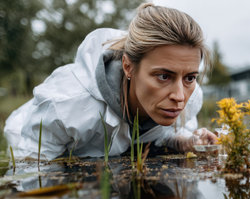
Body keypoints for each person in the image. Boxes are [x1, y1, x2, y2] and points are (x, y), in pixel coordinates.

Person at [3, 3, 217, 160]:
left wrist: (186, 141)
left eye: (189, 77)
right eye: (163, 76)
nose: (180, 96)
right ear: (128, 66)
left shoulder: (192, 95)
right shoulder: (68, 105)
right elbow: (32, 169)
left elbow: (165, 133)